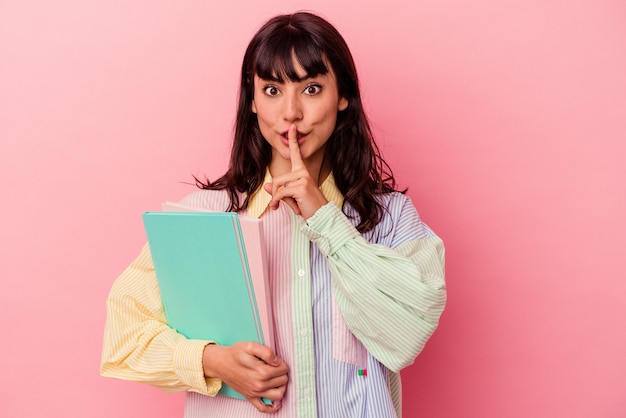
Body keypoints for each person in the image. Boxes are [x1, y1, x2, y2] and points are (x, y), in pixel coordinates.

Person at [101, 11, 446, 418]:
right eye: (272, 90)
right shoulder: (204, 218)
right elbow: (122, 337)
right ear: (252, 100)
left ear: (343, 97)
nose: (291, 113)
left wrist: (326, 222)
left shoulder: (392, 220)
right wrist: (211, 361)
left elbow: (405, 335)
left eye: (312, 88)